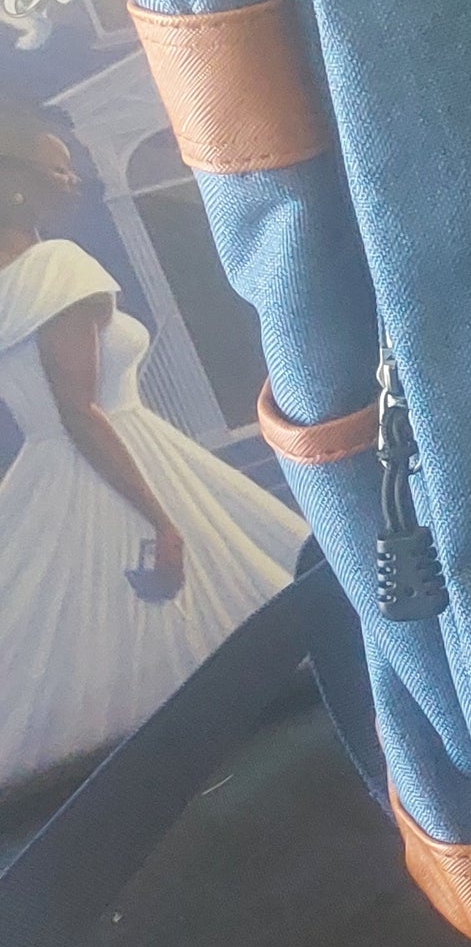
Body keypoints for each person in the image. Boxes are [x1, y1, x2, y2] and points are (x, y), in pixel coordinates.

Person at [0, 106, 307, 787]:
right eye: (59, 169)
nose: (76, 181)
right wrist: (159, 518)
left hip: (55, 473)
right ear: (16, 184)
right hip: (120, 460)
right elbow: (78, 409)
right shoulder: (56, 267)